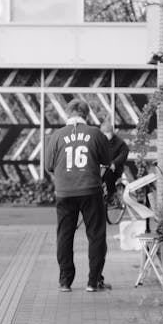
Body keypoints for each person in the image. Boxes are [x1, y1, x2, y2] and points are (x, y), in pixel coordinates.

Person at [45, 98, 111, 293]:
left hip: (64, 192)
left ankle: (65, 281)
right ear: (86, 114)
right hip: (90, 189)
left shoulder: (56, 136)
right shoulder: (96, 134)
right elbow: (106, 160)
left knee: (65, 235)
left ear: (67, 113)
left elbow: (49, 166)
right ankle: (93, 282)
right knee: (96, 235)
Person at [100, 118, 130, 200]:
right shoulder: (99, 141)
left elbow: (124, 153)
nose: (106, 136)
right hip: (102, 167)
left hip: (115, 169)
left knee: (108, 175)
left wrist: (114, 163)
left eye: (108, 133)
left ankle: (112, 194)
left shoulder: (119, 142)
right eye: (104, 134)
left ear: (112, 132)